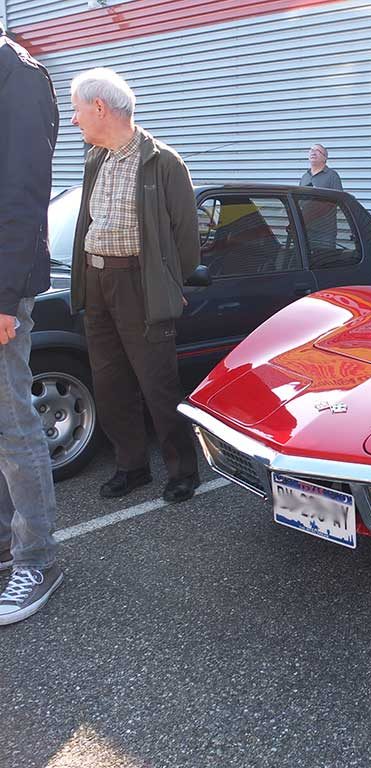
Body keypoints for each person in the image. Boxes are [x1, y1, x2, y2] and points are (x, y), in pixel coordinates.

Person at [69, 68, 201, 503]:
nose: (75, 120)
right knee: (109, 382)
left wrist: (169, 281)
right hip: (97, 279)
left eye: (78, 110)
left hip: (138, 283)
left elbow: (186, 234)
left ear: (101, 108)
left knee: (157, 382)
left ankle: (183, 471)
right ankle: (132, 467)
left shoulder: (162, 161)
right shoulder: (96, 158)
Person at [0, 31, 64, 625]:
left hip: (0, 290)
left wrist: (3, 297)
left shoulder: (18, 74)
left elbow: (21, 195)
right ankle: (6, 541)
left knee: (14, 427)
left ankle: (38, 558)